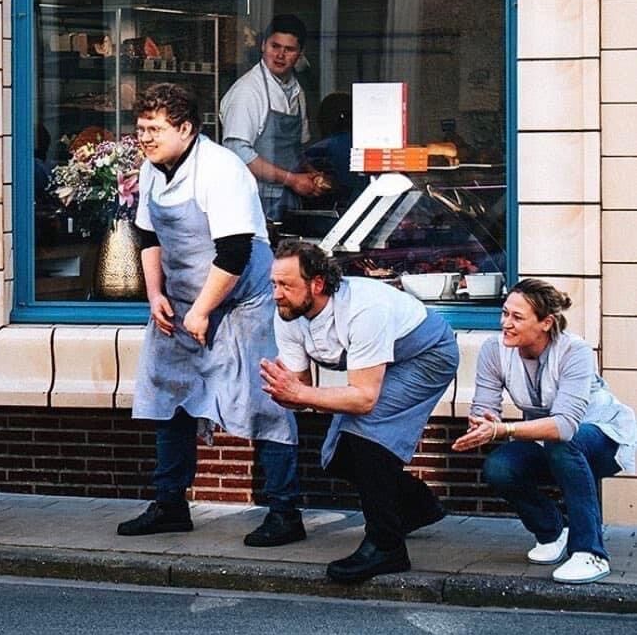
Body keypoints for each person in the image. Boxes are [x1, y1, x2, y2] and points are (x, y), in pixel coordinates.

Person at [116, 83, 303, 547]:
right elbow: (148, 237)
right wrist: (154, 294)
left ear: (186, 129)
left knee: (267, 400)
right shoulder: (152, 170)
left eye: (155, 129)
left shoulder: (222, 168)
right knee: (169, 396)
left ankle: (285, 511)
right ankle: (170, 504)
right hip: (182, 299)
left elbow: (235, 251)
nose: (145, 138)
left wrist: (201, 311)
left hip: (243, 301)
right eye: (142, 129)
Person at [262, 240, 458, 582]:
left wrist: (300, 393)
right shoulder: (288, 314)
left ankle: (386, 547)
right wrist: (286, 393)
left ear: (317, 284)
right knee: (337, 455)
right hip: (385, 365)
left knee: (366, 438)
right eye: (274, 284)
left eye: (286, 285)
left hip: (428, 355)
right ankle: (418, 505)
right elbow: (302, 389)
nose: (277, 294)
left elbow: (365, 399)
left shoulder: (364, 309)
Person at [452, 279, 636, 584]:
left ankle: (590, 552)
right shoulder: (494, 350)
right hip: (546, 441)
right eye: (504, 313)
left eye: (517, 317)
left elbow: (564, 426)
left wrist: (503, 429)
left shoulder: (574, 351)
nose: (505, 323)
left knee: (564, 444)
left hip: (605, 439)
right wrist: (482, 423)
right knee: (499, 466)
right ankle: (552, 531)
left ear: (546, 323)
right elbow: (485, 409)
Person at [219, 14, 326, 220]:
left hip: (288, 200)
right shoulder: (248, 91)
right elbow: (238, 151)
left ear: (300, 54)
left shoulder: (297, 92)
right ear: (263, 46)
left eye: (289, 49)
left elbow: (295, 150)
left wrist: (310, 174)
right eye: (274, 46)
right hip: (251, 200)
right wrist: (292, 180)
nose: (280, 55)